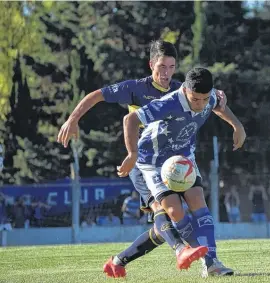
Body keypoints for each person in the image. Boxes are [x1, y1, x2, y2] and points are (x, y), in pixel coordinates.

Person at [58, 41, 230, 276]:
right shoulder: (135, 89)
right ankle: (190, 253)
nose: (166, 73)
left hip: (174, 161)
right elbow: (96, 96)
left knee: (164, 228)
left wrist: (220, 99)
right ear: (151, 65)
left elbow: (206, 98)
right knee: (164, 209)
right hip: (143, 162)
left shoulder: (183, 91)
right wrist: (72, 119)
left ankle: (118, 261)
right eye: (161, 66)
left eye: (171, 67)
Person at [118, 67, 246, 277]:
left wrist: (237, 126)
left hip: (183, 157)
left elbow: (219, 106)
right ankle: (201, 257)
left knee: (199, 203)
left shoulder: (208, 97)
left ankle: (212, 263)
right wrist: (131, 154)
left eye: (204, 99)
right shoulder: (169, 103)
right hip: (154, 161)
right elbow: (130, 120)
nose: (200, 104)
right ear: (185, 89)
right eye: (195, 99)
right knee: (175, 211)